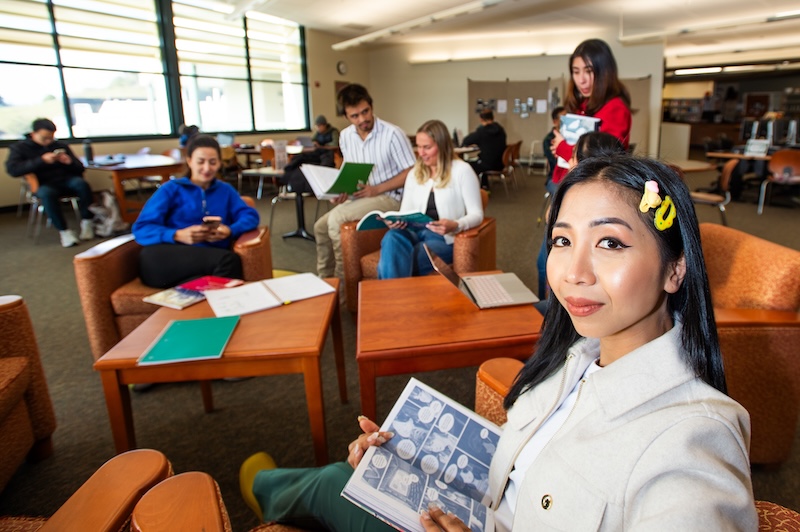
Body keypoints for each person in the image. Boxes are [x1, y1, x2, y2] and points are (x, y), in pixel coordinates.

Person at [238, 155, 756, 531]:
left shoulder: (694, 443)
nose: (573, 273)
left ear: (675, 268)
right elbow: (523, 470)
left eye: (610, 243)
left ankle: (267, 491)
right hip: (475, 514)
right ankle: (279, 489)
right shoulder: (575, 358)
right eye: (562, 241)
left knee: (329, 487)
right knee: (348, 471)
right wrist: (408, 455)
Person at [313, 84, 416, 280]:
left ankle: (343, 287)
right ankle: (326, 283)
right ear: (346, 117)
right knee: (320, 226)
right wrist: (341, 191)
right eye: (355, 116)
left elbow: (412, 172)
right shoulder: (345, 136)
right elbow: (350, 170)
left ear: (371, 106)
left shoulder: (393, 134)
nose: (362, 119)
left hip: (390, 197)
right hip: (360, 196)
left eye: (365, 112)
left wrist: (376, 189)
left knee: (335, 221)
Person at [132, 134, 259, 288]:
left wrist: (230, 230)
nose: (207, 168)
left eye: (213, 162)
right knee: (228, 261)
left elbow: (250, 216)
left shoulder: (225, 190)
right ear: (189, 160)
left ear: (219, 163)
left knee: (213, 274)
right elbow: (141, 228)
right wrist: (177, 235)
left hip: (208, 260)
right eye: (201, 162)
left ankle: (193, 297)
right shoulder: (171, 189)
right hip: (165, 257)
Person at [376, 119, 483, 279]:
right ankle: (396, 301)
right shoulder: (415, 173)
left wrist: (456, 225)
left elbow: (477, 214)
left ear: (441, 145)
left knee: (403, 260)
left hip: (443, 238)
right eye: (418, 147)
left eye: (427, 147)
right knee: (391, 238)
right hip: (413, 231)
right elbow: (405, 211)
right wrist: (397, 221)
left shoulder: (462, 171)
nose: (421, 153)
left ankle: (390, 301)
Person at [536, 131, 625, 298]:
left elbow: (550, 217)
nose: (569, 161)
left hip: (569, 288)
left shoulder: (574, 193)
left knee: (543, 266)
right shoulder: (624, 194)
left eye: (573, 156)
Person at [550, 39, 631, 189]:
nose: (581, 80)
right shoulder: (583, 104)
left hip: (594, 189)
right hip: (571, 181)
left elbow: (602, 162)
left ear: (605, 72)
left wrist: (563, 148)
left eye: (589, 71)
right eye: (576, 72)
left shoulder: (615, 108)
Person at [6, 118, 95, 247]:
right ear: (33, 134)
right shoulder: (20, 148)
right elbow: (13, 170)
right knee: (48, 194)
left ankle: (87, 222)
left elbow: (80, 168)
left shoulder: (60, 146)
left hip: (65, 180)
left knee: (82, 185)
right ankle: (64, 231)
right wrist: (41, 160)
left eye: (51, 138)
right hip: (42, 183)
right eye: (44, 138)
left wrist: (69, 162)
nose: (48, 141)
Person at [462, 110, 507, 190]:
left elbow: (466, 141)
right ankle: (484, 186)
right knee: (483, 160)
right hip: (500, 163)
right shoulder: (501, 130)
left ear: (481, 120)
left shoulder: (482, 131)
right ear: (493, 118)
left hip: (487, 164)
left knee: (466, 165)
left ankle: (473, 188)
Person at [542, 106, 566, 196]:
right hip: (554, 177)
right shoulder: (548, 140)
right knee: (561, 194)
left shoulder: (570, 136)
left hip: (571, 175)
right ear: (555, 122)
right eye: (563, 118)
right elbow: (555, 162)